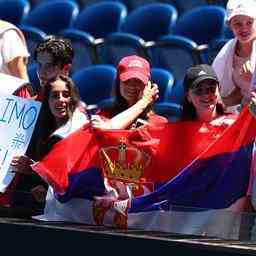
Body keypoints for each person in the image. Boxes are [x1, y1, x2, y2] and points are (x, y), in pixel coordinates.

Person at [10, 75, 88, 217]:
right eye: (54, 96)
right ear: (47, 100)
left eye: (65, 94)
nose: (61, 100)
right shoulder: (38, 128)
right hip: (40, 209)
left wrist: (35, 171)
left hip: (72, 212)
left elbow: (72, 177)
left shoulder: (80, 127)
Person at [91, 55, 167, 130]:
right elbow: (109, 128)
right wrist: (144, 102)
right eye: (126, 80)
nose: (132, 86)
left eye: (138, 81)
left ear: (148, 86)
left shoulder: (159, 123)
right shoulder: (103, 115)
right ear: (118, 83)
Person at [212, 0, 256, 113]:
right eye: (238, 24)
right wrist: (218, 104)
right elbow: (240, 92)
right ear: (229, 25)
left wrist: (254, 80)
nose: (244, 29)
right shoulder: (228, 50)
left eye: (249, 22)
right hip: (244, 115)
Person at [33, 35, 74, 101]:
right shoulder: (31, 103)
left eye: (49, 66)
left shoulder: (74, 109)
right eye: (39, 65)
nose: (42, 72)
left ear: (66, 69)